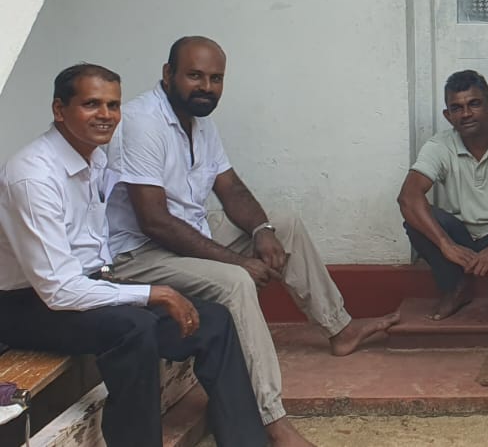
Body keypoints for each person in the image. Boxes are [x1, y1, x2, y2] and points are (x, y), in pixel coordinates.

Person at [103, 36, 398, 445]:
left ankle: (339, 329)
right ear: (168, 74)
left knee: (284, 224)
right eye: (194, 75)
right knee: (236, 283)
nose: (206, 87)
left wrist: (261, 231)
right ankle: (271, 419)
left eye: (216, 78)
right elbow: (154, 221)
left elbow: (231, 188)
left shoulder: (199, 121)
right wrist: (236, 261)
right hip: (139, 254)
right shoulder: (142, 122)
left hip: (188, 232)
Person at [0, 64, 267, 447]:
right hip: (26, 306)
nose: (106, 115)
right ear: (60, 109)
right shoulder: (33, 176)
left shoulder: (95, 159)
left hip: (87, 286)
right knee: (133, 329)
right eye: (91, 104)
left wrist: (149, 291)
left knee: (212, 318)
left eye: (113, 105)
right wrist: (151, 293)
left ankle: (247, 441)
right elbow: (58, 291)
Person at [397, 70, 488, 321]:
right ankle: (456, 287)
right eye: (456, 108)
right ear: (448, 115)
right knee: (417, 218)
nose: (466, 114)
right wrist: (447, 246)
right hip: (461, 237)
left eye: (474, 104)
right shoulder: (439, 145)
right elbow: (408, 197)